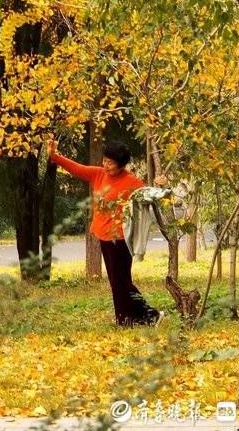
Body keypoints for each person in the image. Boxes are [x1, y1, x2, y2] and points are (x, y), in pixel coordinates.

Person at [47, 139, 164, 327]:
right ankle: (141, 317)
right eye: (105, 160)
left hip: (120, 239)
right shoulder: (99, 175)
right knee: (119, 282)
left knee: (120, 282)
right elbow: (77, 169)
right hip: (104, 237)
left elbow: (150, 197)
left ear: (121, 164)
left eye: (110, 162)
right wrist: (55, 156)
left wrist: (161, 186)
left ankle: (133, 318)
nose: (105, 165)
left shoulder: (131, 182)